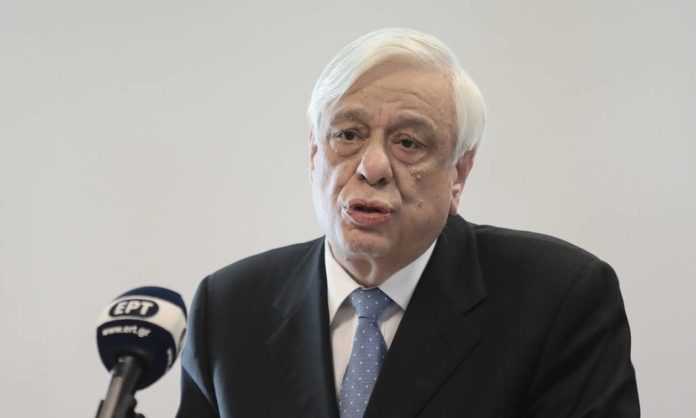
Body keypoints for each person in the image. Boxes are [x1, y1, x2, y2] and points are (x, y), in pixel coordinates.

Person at [176, 28, 639, 418]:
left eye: (409, 143)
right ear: (314, 153)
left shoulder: (558, 298)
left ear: (459, 174)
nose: (372, 167)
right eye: (348, 135)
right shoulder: (229, 308)